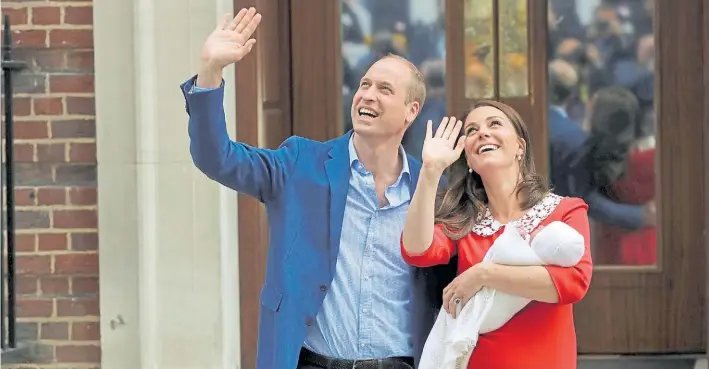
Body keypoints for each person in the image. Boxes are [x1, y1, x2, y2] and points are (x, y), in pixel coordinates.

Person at [180, 8, 455, 369]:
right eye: (364, 85)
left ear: (411, 111)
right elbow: (217, 158)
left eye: (384, 90)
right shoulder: (299, 163)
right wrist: (211, 71)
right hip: (313, 362)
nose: (367, 95)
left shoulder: (431, 187)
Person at [400, 100, 593, 369]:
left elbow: (573, 283)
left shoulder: (565, 210)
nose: (482, 133)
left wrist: (482, 274)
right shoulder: (465, 222)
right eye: (471, 130)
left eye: (494, 124)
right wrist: (431, 171)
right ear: (467, 157)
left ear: (520, 147)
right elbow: (416, 250)